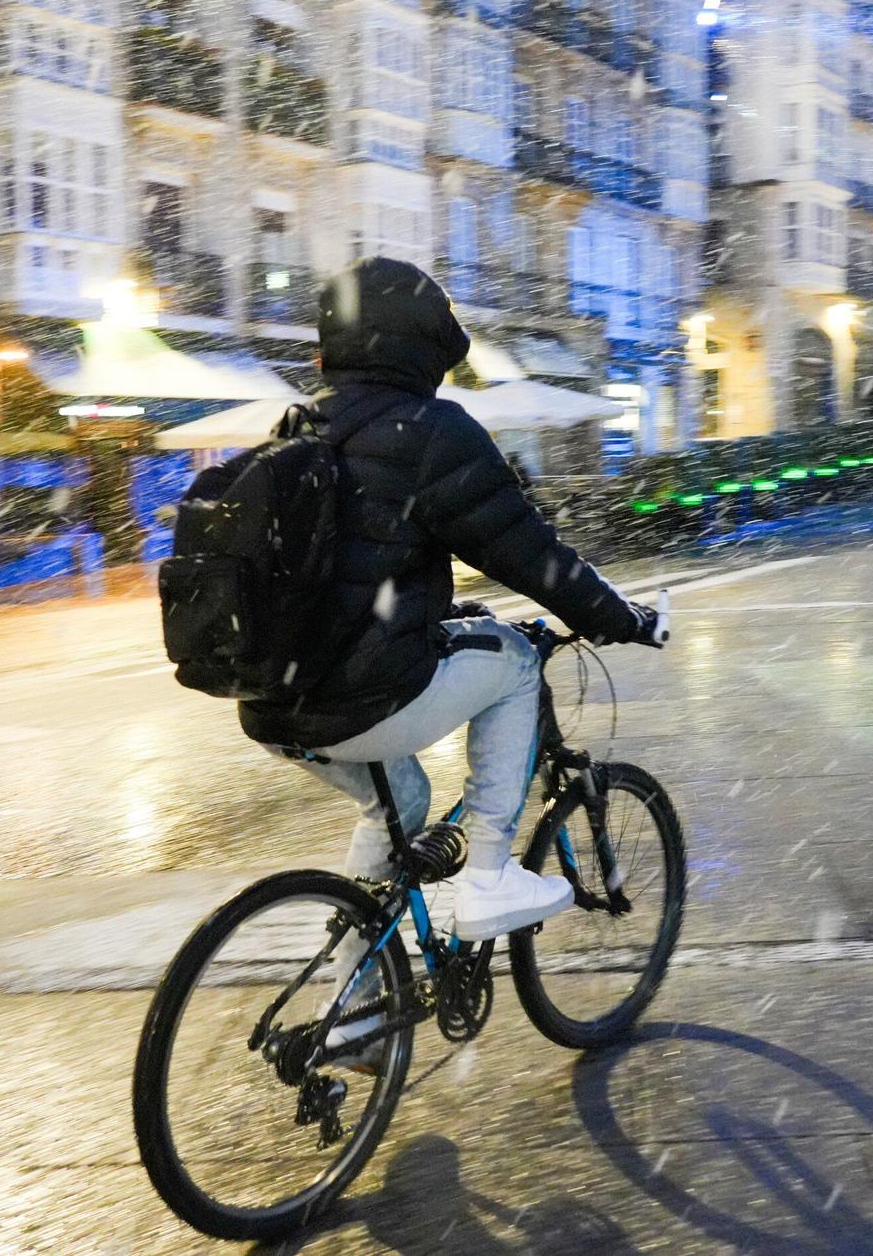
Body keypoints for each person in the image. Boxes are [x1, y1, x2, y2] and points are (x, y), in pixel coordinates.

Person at [239, 257, 664, 945]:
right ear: (421, 350)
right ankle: (488, 874)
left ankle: (350, 1017)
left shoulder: (298, 427)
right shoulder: (433, 431)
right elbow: (531, 556)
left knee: (400, 803)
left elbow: (349, 561)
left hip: (274, 701)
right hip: (361, 695)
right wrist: (620, 618)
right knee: (518, 659)